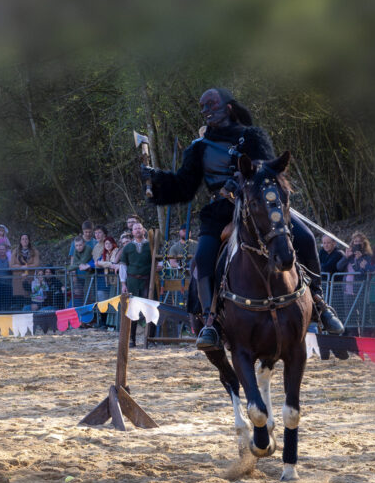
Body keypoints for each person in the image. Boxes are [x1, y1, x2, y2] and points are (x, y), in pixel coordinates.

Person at [141, 88, 344, 350]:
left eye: (211, 105)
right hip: (221, 211)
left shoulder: (253, 136)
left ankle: (318, 301)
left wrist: (237, 181)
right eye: (202, 107)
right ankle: (211, 321)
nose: (206, 111)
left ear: (228, 107)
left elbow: (267, 169)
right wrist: (155, 177)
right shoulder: (198, 148)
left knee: (305, 238)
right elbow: (183, 186)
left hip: (259, 205)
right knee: (202, 259)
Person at [119, 222, 153, 346]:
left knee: (149, 308)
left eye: (139, 228)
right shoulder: (127, 248)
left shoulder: (151, 245)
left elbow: (157, 261)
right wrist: (123, 283)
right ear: (132, 232)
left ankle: (150, 339)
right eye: (135, 229)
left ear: (143, 230)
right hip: (132, 281)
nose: (138, 230)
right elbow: (123, 266)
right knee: (132, 310)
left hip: (147, 280)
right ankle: (132, 339)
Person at [11, 233, 41, 309]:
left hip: (30, 280)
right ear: (20, 241)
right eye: (23, 239)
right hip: (18, 280)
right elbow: (11, 265)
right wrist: (21, 267)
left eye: (26, 239)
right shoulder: (15, 251)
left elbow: (36, 264)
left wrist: (27, 267)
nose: (24, 240)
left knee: (28, 301)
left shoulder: (34, 251)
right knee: (19, 303)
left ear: (29, 240)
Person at [340, 232, 374, 296]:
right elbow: (338, 267)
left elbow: (361, 271)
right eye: (356, 241)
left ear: (364, 244)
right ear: (352, 243)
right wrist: (346, 257)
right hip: (347, 290)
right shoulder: (350, 256)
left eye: (360, 241)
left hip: (359, 290)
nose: (358, 243)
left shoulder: (367, 257)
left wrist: (359, 258)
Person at [67, 236, 94, 306]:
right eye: (76, 245)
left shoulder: (88, 249)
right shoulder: (76, 251)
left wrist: (70, 268)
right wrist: (75, 266)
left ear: (84, 243)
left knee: (88, 295)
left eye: (80, 245)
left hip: (90, 275)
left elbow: (83, 262)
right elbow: (76, 263)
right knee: (78, 293)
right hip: (80, 276)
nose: (78, 247)